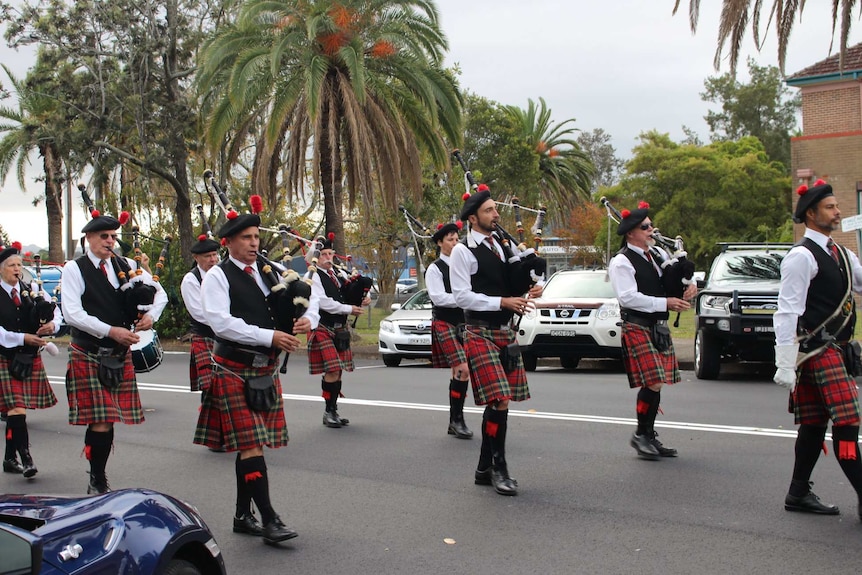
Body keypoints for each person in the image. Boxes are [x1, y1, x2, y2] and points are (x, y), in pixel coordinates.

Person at [201, 210, 313, 545]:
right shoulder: (217, 277)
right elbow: (220, 323)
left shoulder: (269, 272)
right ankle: (269, 519)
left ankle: (241, 516)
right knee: (251, 445)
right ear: (229, 242)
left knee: (251, 446)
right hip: (233, 369)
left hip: (263, 370)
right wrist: (270, 337)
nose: (254, 243)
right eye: (246, 238)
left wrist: (306, 322)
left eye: (255, 237)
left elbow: (305, 298)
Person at [773, 179, 862, 519]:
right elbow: (787, 311)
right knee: (847, 423)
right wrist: (784, 363)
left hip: (836, 349)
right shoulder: (800, 256)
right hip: (816, 350)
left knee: (813, 423)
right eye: (830, 207)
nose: (838, 211)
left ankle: (797, 493)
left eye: (837, 206)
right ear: (811, 214)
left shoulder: (841, 253)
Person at [61, 213, 167, 494]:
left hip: (119, 353)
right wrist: (111, 330)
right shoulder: (75, 268)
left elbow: (161, 294)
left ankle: (97, 474)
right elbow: (72, 313)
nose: (110, 242)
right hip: (89, 351)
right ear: (89, 239)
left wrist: (151, 317)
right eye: (104, 237)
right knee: (102, 419)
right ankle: (98, 478)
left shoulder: (127, 265)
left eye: (113, 237)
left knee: (106, 422)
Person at [449, 186, 541, 496]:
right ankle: (498, 466)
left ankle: (483, 467)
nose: (496, 214)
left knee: (500, 402)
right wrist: (502, 302)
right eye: (489, 210)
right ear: (473, 218)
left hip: (505, 332)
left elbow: (512, 284)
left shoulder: (504, 247)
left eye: (495, 209)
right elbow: (461, 296)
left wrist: (528, 290)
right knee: (499, 398)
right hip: (479, 331)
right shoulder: (463, 251)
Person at [608, 201, 696, 460]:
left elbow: (668, 285)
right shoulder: (621, 261)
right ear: (631, 233)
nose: (651, 229)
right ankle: (641, 435)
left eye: (650, 225)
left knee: (656, 385)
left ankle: (648, 434)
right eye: (645, 226)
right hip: (637, 325)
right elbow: (628, 298)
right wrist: (665, 303)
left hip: (657, 326)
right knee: (653, 381)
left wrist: (687, 289)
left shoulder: (657, 255)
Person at [0, 244, 62, 479]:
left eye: (19, 265)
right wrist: (23, 337)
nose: (16, 269)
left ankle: (8, 459)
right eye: (11, 266)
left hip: (28, 357)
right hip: (4, 356)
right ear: (1, 270)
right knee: (17, 409)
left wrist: (52, 326)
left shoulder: (32, 289)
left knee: (14, 411)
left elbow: (56, 313)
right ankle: (26, 458)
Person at [307, 233, 369, 428]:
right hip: (323, 327)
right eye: (323, 254)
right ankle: (328, 412)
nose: (327, 258)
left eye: (330, 254)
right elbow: (323, 302)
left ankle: (333, 409)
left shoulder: (337, 273)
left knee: (338, 371)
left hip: (340, 328)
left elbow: (348, 294)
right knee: (332, 369)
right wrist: (349, 309)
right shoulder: (313, 275)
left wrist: (362, 300)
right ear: (314, 258)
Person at [426, 221, 473, 439]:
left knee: (458, 372)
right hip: (444, 322)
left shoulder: (463, 266)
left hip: (464, 324)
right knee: (463, 369)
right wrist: (464, 299)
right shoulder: (435, 268)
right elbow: (438, 298)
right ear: (440, 243)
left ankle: (455, 420)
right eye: (450, 240)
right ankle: (457, 420)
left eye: (457, 239)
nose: (455, 243)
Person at [181, 233, 223, 452]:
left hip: (224, 337)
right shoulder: (191, 279)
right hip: (205, 337)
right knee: (212, 388)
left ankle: (221, 433)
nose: (213, 260)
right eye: (208, 256)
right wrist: (228, 322)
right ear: (197, 258)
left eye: (215, 254)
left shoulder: (222, 275)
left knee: (224, 388)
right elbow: (199, 313)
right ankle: (213, 437)